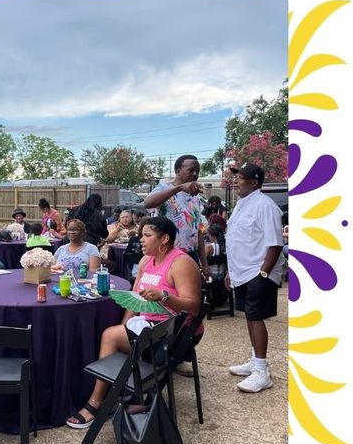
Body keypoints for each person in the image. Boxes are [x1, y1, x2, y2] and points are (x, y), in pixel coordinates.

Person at [66, 217, 201, 428]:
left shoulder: (181, 263)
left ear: (164, 239)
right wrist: (125, 327)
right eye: (141, 236)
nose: (141, 241)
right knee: (113, 333)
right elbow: (135, 299)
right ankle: (117, 391)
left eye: (147, 236)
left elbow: (194, 307)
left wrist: (164, 296)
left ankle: (98, 401)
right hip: (149, 327)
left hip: (173, 334)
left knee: (109, 336)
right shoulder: (147, 260)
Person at [225, 162, 284, 393]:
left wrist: (264, 273)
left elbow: (275, 244)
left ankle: (262, 372)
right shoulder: (242, 204)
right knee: (250, 316)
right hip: (242, 272)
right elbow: (236, 240)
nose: (236, 180)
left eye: (240, 176)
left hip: (257, 272)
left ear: (254, 182)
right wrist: (231, 271)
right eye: (237, 176)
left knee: (256, 317)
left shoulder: (264, 205)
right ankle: (255, 360)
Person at [144, 155, 210, 277]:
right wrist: (178, 188)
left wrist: (204, 264)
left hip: (190, 255)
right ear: (178, 171)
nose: (195, 174)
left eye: (197, 171)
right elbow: (148, 203)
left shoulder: (196, 198)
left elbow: (199, 231)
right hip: (167, 254)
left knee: (188, 294)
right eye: (191, 170)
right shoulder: (164, 188)